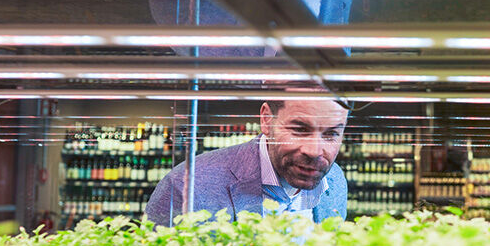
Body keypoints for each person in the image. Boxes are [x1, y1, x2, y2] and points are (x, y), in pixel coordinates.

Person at [145, 99, 349, 226]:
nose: (314, 151)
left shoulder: (334, 180)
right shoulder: (187, 186)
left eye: (331, 134)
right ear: (267, 120)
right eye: (299, 130)